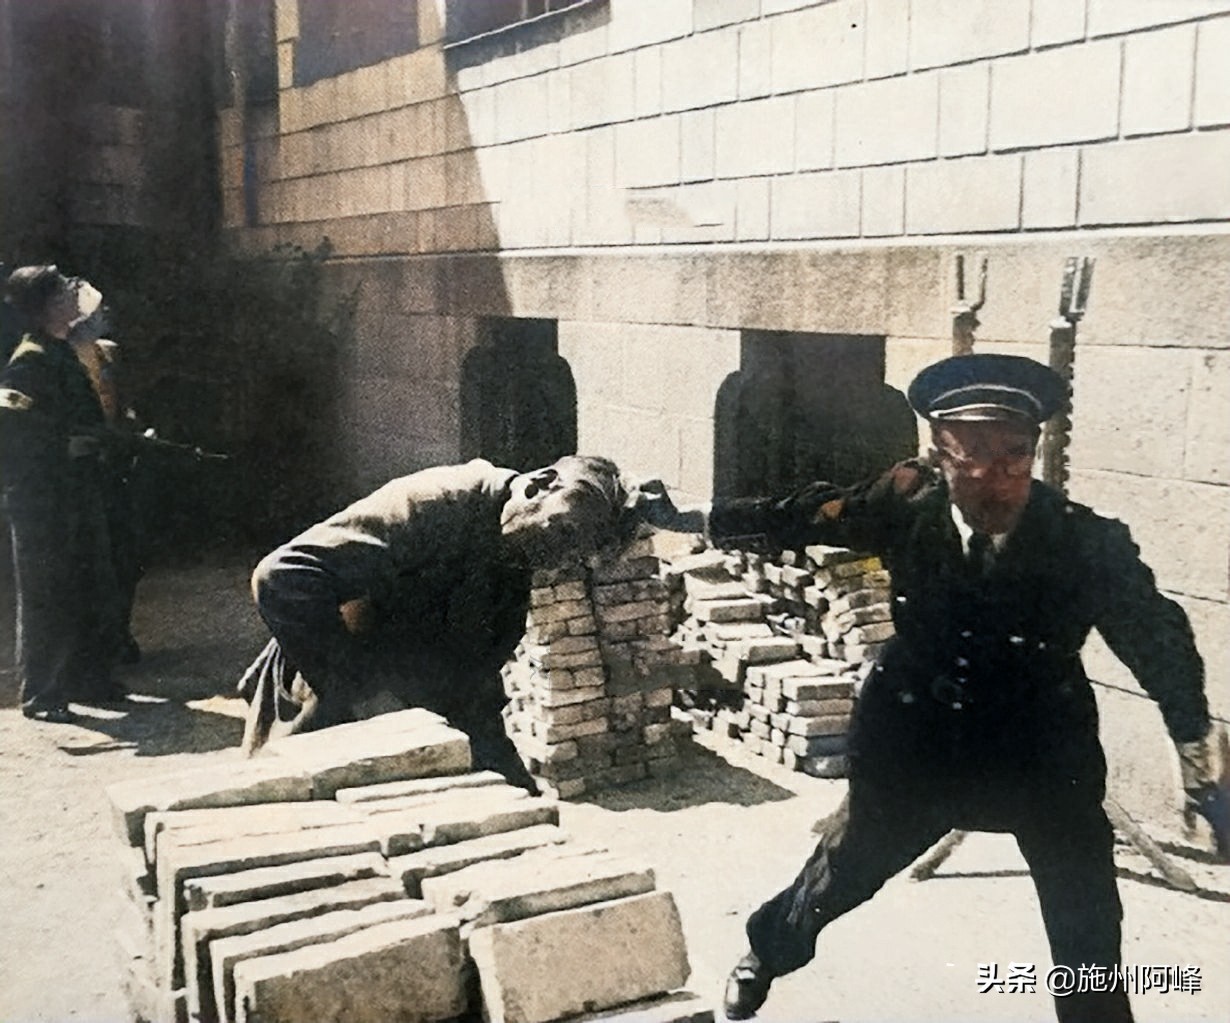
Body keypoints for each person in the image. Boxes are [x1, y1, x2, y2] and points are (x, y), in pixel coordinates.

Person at [639, 354, 1219, 1023]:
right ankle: (767, 950)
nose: (994, 476)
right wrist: (687, 517)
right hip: (917, 746)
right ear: (940, 451)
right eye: (971, 453)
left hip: (1042, 758)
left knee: (1087, 923)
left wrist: (1197, 748)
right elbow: (809, 514)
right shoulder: (904, 500)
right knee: (845, 869)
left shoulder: (1085, 539)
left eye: (1013, 454)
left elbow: (1159, 638)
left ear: (1033, 451)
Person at [238, 454, 630, 788]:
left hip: (427, 711)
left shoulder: (518, 547)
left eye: (575, 553)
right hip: (331, 705)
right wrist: (367, 700)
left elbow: (472, 675)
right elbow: (282, 576)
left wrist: (508, 780)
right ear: (541, 485)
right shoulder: (437, 503)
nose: (559, 557)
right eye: (562, 532)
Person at [0, 265, 124, 721]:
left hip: (75, 489)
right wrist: (67, 448)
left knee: (90, 584)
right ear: (48, 305)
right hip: (42, 496)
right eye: (65, 289)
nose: (76, 293)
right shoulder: (30, 360)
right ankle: (41, 693)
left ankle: (88, 679)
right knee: (45, 595)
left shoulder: (61, 351)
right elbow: (12, 430)